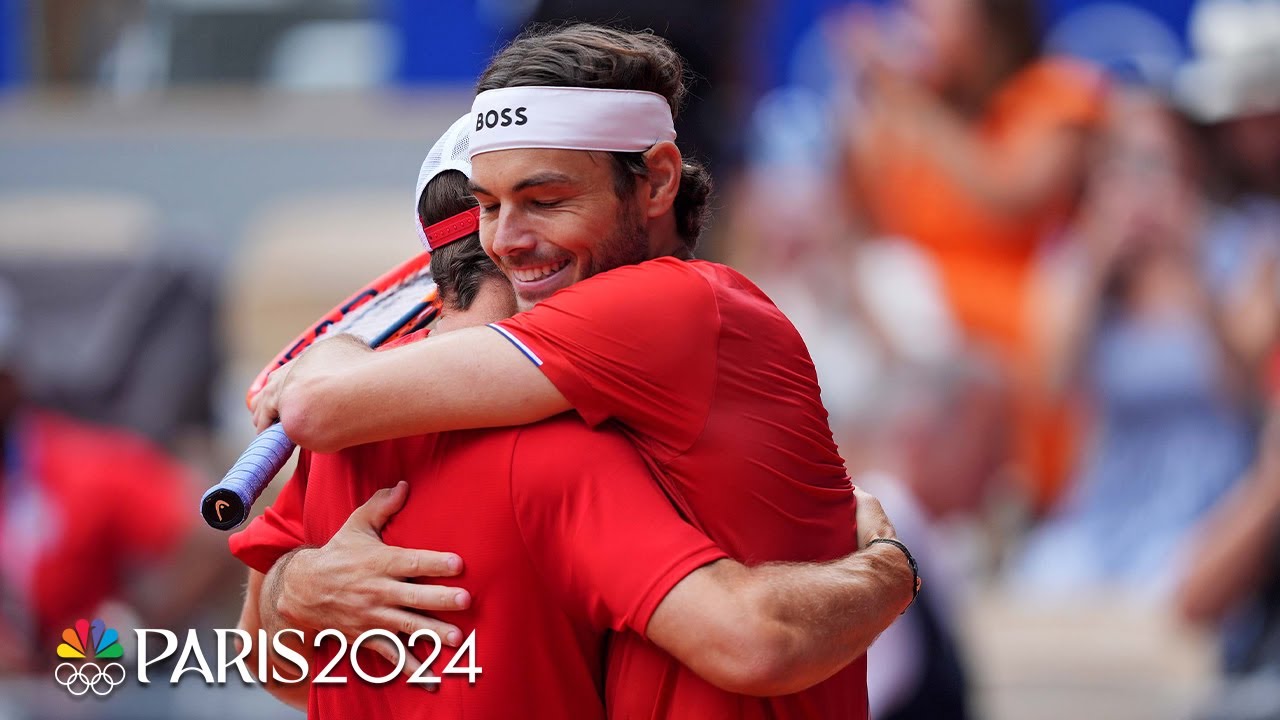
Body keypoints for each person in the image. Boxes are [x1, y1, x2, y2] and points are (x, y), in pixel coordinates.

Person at [249, 24, 916, 717]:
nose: (509, 238)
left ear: (657, 179)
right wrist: (889, 572)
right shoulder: (544, 430)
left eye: (546, 200)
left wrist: (330, 358)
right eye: (487, 207)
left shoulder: (669, 307)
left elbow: (311, 415)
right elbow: (285, 663)